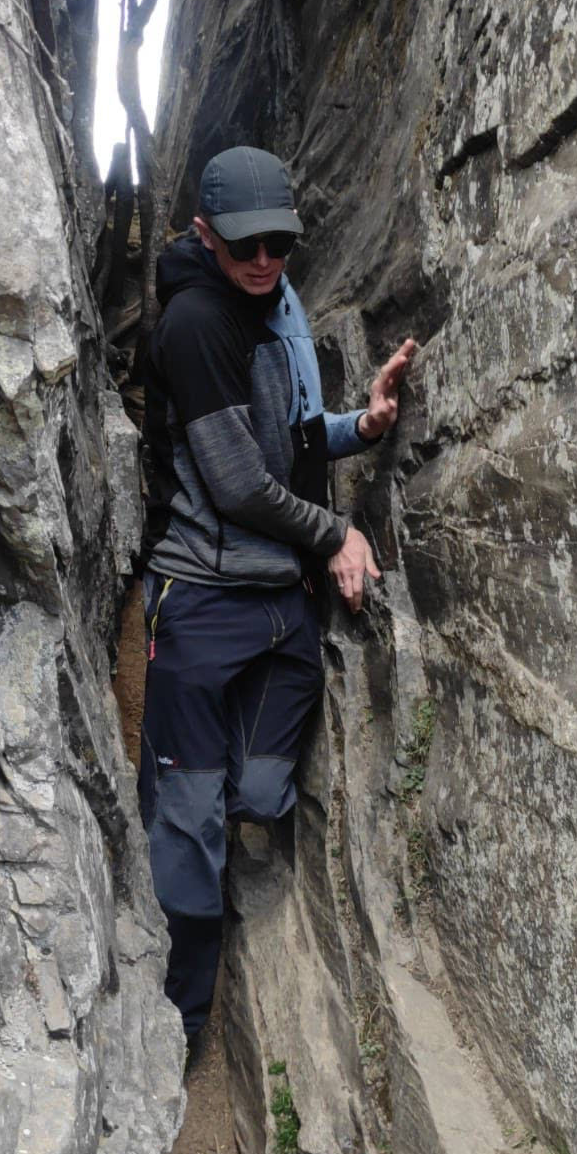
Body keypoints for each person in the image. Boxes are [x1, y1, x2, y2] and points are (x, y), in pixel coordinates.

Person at [138, 145, 414, 1049]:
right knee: (188, 827)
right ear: (204, 234)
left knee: (257, 793)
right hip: (202, 601)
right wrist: (336, 534)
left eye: (279, 245)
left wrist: (360, 425)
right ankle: (182, 1023)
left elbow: (287, 439)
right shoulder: (194, 323)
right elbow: (236, 483)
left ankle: (201, 808)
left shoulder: (275, 300)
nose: (264, 260)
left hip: (278, 605)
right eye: (245, 246)